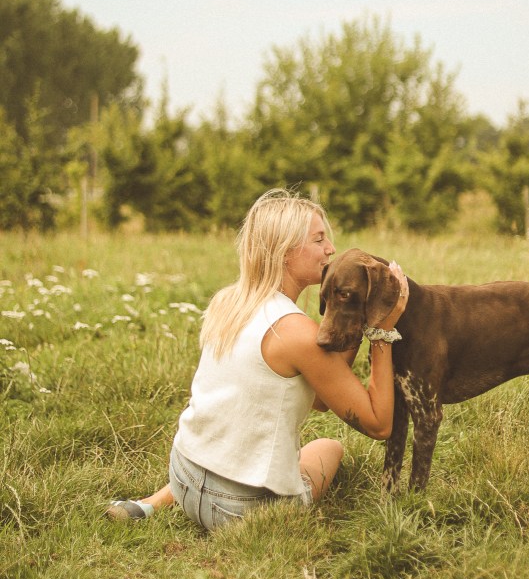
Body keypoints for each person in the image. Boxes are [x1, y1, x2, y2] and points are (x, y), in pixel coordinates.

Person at [106, 188, 408, 530]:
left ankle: (150, 504)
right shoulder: (295, 332)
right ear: (285, 251)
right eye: (318, 239)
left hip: (183, 476)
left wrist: (352, 319)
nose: (330, 249)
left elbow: (323, 399)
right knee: (329, 447)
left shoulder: (229, 302)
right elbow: (378, 424)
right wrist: (382, 330)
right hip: (238, 510)